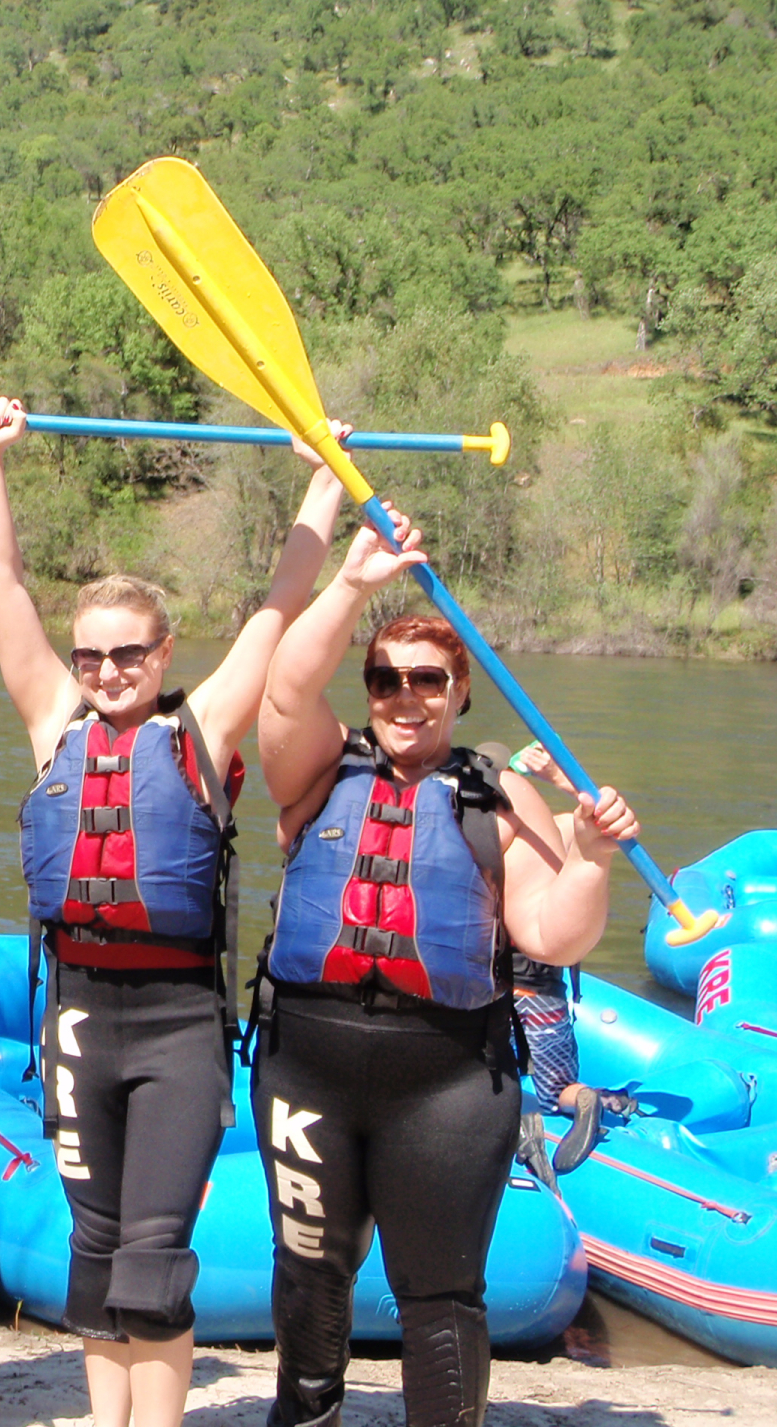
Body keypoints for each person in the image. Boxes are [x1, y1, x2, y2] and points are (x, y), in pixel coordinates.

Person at [0, 398, 344, 1427]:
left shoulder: (204, 727)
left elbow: (278, 604)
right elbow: (1, 584)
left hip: (178, 1024)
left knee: (152, 1256)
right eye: (91, 656)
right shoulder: (56, 722)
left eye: (128, 654)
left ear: (165, 652)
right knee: (93, 1251)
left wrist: (322, 478)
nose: (106, 673)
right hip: (80, 1018)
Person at [254, 506, 638, 1427]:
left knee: (440, 1295)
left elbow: (553, 936)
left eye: (428, 680)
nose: (405, 698)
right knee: (310, 1277)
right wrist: (352, 583)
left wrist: (589, 857)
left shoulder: (496, 797)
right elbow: (281, 695)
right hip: (309, 1068)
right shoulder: (317, 769)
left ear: (462, 691)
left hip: (447, 1084)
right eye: (386, 681)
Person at [502, 741, 638, 1178]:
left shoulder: (487, 843)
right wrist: (560, 780)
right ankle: (580, 1095)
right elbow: (596, 820)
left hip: (500, 984)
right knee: (557, 1084)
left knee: (487, 1067)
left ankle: (512, 1121)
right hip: (544, 984)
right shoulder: (556, 831)